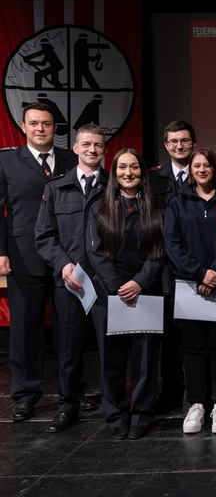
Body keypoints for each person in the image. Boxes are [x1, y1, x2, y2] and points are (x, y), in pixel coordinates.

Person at [0, 101, 77, 422]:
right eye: (34, 123)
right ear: (23, 127)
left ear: (55, 128)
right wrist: (0, 251)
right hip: (23, 255)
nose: (40, 129)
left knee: (68, 330)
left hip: (66, 258)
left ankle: (71, 392)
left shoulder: (72, 160)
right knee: (25, 329)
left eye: (46, 123)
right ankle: (25, 394)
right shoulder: (6, 161)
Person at [165, 148, 216, 434]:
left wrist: (215, 273)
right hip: (189, 287)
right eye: (197, 165)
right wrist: (200, 273)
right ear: (191, 170)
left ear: (215, 168)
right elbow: (172, 244)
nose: (202, 170)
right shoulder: (177, 202)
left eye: (207, 165)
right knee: (193, 347)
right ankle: (197, 404)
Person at [35, 124, 109, 433]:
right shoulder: (56, 187)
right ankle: (67, 407)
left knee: (111, 347)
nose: (93, 150)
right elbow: (44, 235)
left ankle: (114, 407)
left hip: (106, 281)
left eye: (98, 145)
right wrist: (63, 265)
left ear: (104, 150)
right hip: (69, 281)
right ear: (75, 148)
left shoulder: (115, 186)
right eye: (87, 144)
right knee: (67, 348)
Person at [88, 148, 165, 439]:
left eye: (134, 167)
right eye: (122, 167)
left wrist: (140, 282)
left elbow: (160, 250)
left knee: (145, 360)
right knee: (111, 360)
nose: (128, 173)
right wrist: (117, 285)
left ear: (142, 172)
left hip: (145, 293)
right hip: (109, 295)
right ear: (114, 172)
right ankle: (116, 415)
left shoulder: (156, 207)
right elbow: (94, 251)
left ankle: (142, 413)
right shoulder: (99, 206)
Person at [148, 120, 196, 415]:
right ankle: (170, 394)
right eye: (174, 141)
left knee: (196, 336)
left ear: (193, 143)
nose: (179, 146)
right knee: (168, 338)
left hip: (195, 268)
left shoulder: (205, 173)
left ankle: (199, 395)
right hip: (162, 270)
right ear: (166, 145)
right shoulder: (152, 179)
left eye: (185, 140)